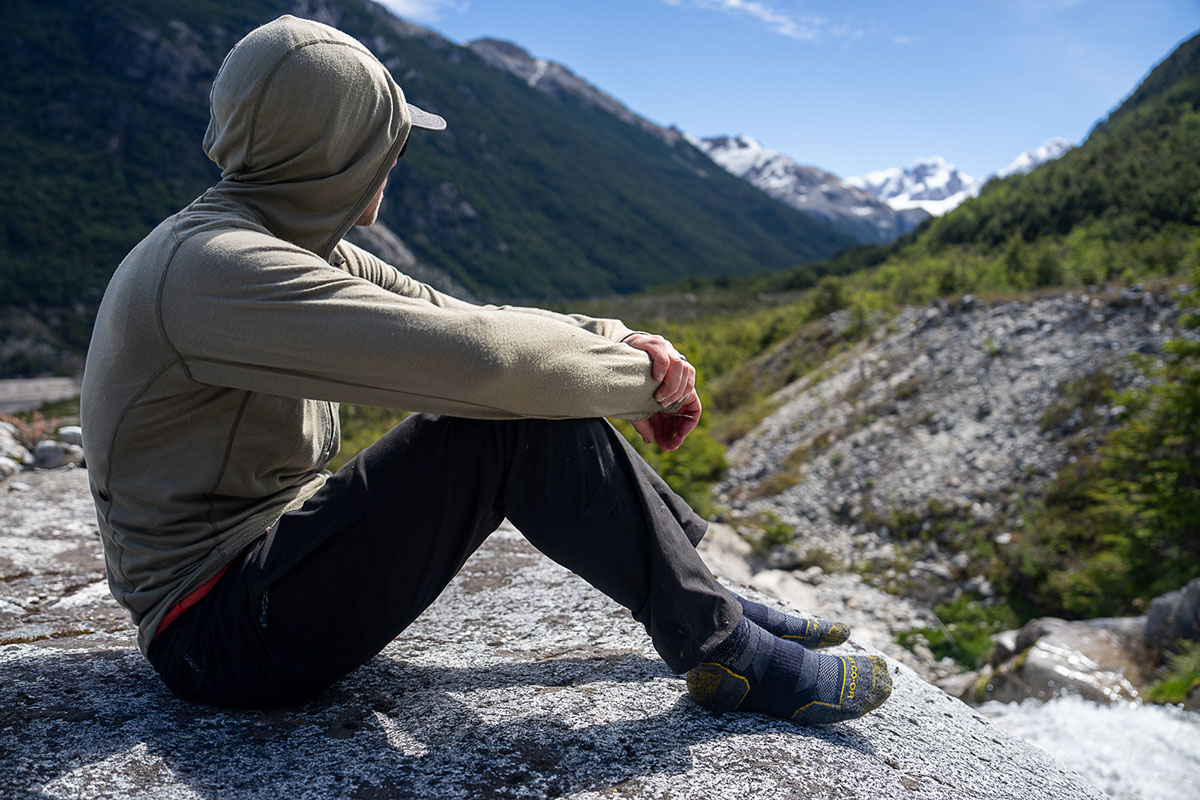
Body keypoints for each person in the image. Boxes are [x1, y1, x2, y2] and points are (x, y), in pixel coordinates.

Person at [80, 15, 890, 722]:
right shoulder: (212, 270)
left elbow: (462, 318)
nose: (393, 160)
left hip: (265, 574)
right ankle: (722, 647)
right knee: (505, 427)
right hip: (216, 636)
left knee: (528, 398)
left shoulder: (283, 243)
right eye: (383, 139)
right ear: (339, 150)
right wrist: (641, 383)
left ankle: (699, 592)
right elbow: (491, 364)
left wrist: (623, 341)